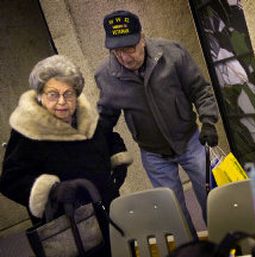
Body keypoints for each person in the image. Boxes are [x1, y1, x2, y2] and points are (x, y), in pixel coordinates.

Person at [95, 10, 219, 238]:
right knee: (173, 214)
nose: (125, 57)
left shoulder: (172, 53)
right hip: (153, 155)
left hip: (191, 141)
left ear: (142, 38)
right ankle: (190, 252)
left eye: (130, 48)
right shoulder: (106, 75)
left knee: (213, 199)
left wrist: (208, 121)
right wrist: (94, 146)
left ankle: (222, 243)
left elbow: (201, 90)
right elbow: (105, 117)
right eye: (117, 51)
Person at [0, 55, 133, 256]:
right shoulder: (28, 131)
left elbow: (108, 135)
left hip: (107, 210)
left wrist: (118, 157)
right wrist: (52, 190)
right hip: (70, 225)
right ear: (40, 95)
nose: (62, 101)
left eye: (68, 93)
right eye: (53, 94)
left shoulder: (85, 117)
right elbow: (10, 180)